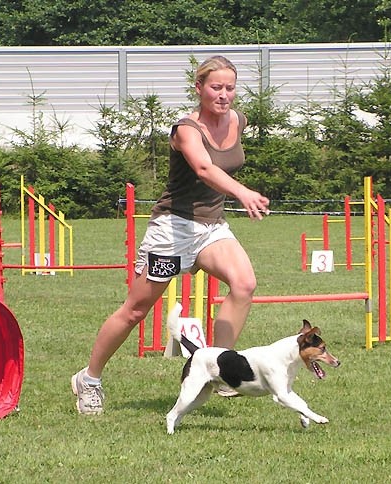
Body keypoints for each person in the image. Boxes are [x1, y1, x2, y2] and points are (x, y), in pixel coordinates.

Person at [71, 55, 270, 415]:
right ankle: (89, 379)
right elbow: (204, 167)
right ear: (199, 88)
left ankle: (219, 369)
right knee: (135, 310)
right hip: (173, 230)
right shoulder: (185, 130)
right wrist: (242, 192)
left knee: (244, 284)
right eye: (215, 87)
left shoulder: (239, 120)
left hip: (211, 227)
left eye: (230, 88)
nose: (224, 95)